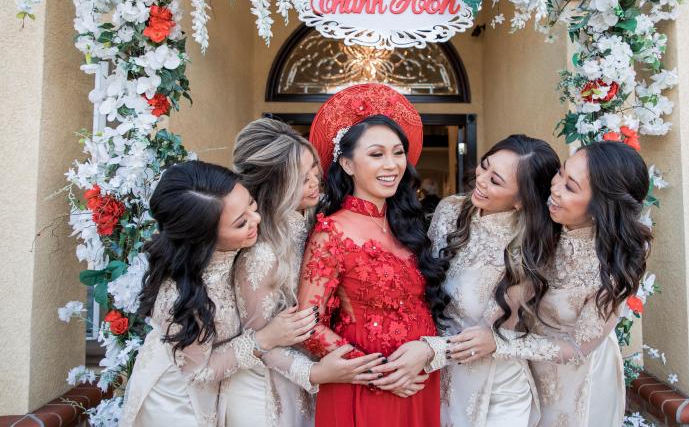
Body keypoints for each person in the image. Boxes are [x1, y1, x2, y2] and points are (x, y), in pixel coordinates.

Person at [120, 161, 314, 427]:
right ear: (203, 237)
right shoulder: (178, 295)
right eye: (241, 222)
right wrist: (264, 339)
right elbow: (198, 371)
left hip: (225, 388)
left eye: (252, 204)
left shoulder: (237, 245)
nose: (256, 219)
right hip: (178, 400)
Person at [296, 84, 445, 427]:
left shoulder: (409, 226)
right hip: (364, 383)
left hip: (419, 377)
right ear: (347, 163)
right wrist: (383, 373)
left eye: (398, 153)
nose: (392, 165)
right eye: (377, 154)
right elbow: (308, 324)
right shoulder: (331, 232)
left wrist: (426, 354)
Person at [477, 140, 652, 426]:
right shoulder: (545, 223)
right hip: (524, 366)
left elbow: (577, 348)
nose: (555, 188)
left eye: (570, 187)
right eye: (561, 172)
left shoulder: (614, 267)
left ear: (600, 207)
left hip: (578, 377)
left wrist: (501, 344)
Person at [221, 119, 383, 427]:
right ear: (274, 184)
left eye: (313, 170)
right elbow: (259, 342)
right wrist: (315, 372)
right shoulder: (262, 253)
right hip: (265, 392)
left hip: (307, 381)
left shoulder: (311, 223)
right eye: (301, 177)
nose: (314, 181)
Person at [421, 135, 560, 427]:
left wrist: (426, 350)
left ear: (521, 200)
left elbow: (487, 335)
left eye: (495, 181)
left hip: (496, 388)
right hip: (436, 376)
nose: (480, 180)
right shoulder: (449, 209)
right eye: (484, 166)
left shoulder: (528, 250)